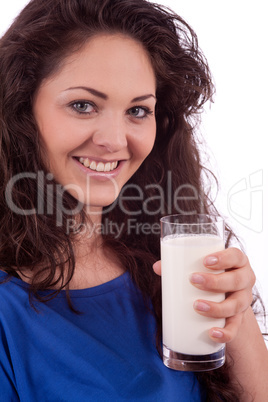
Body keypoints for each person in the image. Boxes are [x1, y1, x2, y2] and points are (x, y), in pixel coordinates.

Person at [0, 0, 267, 400]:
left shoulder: (165, 259)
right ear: (22, 109)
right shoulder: (8, 308)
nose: (115, 141)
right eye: (83, 105)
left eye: (138, 110)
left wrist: (236, 314)